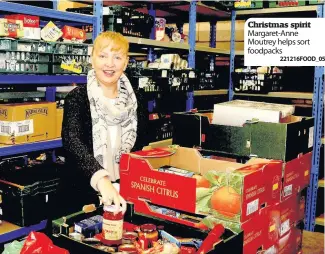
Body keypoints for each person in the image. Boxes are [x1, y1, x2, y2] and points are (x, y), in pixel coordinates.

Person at [61, 31, 138, 214]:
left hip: (125, 193)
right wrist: (102, 180)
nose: (110, 64)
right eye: (103, 56)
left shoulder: (136, 101)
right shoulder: (77, 98)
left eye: (117, 57)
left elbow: (140, 144)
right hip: (81, 196)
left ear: (126, 62)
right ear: (92, 59)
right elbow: (72, 141)